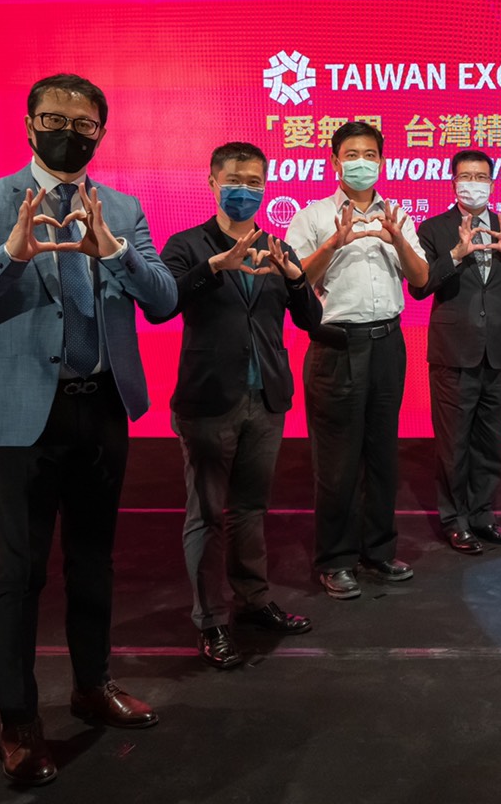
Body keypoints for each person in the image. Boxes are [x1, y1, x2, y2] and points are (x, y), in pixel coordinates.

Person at [0, 74, 175, 786]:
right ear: (29, 125)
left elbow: (164, 301)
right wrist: (11, 255)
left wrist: (115, 252)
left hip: (103, 409)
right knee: (19, 573)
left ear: (102, 132)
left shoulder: (123, 208)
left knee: (94, 561)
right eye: (54, 119)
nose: (69, 133)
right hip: (21, 418)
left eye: (83, 123)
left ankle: (92, 687)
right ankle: (19, 722)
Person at [151, 142, 320, 668]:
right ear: (212, 183)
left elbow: (312, 320)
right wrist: (214, 267)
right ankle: (212, 620)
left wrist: (295, 278)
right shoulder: (187, 245)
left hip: (266, 397)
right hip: (209, 399)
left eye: (254, 182)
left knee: (250, 509)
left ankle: (254, 599)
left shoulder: (278, 247)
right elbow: (163, 303)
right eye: (235, 181)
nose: (244, 190)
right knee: (206, 514)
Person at [286, 122, 429, 600]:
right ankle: (336, 559)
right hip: (337, 346)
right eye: (351, 154)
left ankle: (378, 551)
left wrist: (397, 239)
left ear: (382, 161)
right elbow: (294, 279)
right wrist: (335, 242)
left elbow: (421, 278)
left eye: (370, 154)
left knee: (382, 454)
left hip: (388, 344)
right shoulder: (312, 217)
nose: (361, 162)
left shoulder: (398, 215)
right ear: (335, 161)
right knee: (337, 461)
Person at [411, 150, 501, 553]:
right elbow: (420, 286)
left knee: (490, 441)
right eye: (466, 176)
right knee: (454, 443)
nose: (474, 184)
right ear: (453, 182)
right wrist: (455, 255)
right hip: (453, 352)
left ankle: (483, 516)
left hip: (497, 352)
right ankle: (455, 520)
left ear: (492, 183)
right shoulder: (433, 229)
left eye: (481, 177)